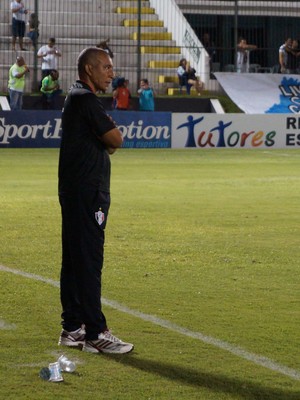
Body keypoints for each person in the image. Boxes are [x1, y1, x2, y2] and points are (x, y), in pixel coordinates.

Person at [58, 47, 134, 354]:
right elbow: (115, 140)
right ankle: (95, 332)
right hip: (89, 191)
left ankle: (73, 328)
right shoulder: (86, 100)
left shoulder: (76, 98)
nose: (111, 73)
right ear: (89, 69)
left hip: (77, 190)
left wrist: (109, 137)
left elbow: (110, 143)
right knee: (88, 260)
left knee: (75, 260)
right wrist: (111, 135)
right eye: (106, 67)